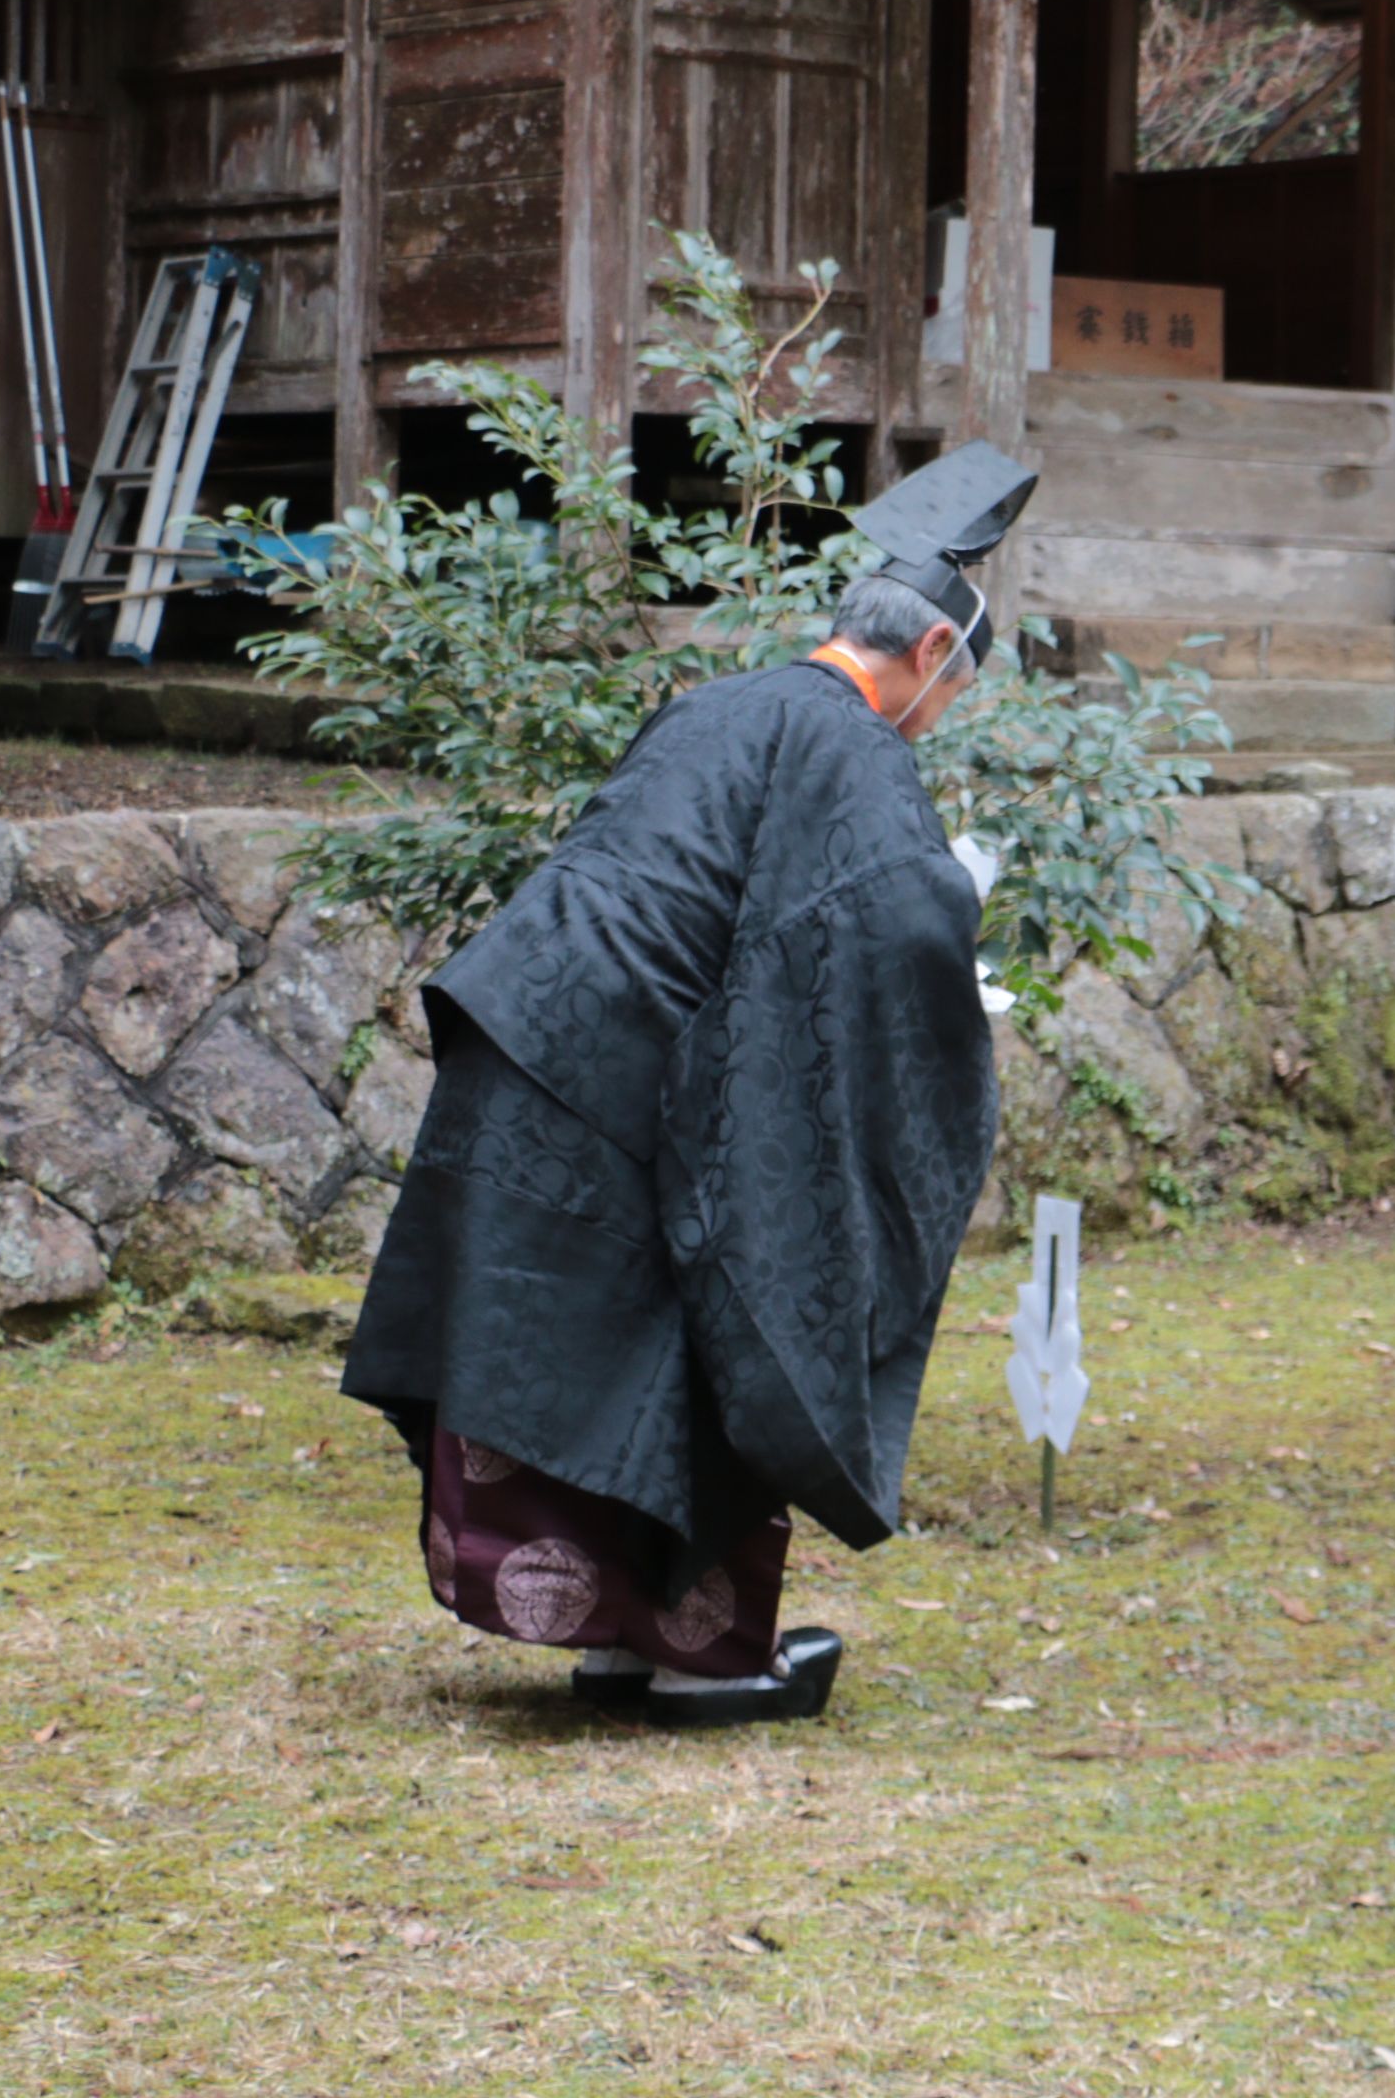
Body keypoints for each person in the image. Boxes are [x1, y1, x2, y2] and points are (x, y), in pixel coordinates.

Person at [342, 445, 1038, 1727]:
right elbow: (893, 924)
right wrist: (962, 915)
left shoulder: (716, 704)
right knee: (719, 1321)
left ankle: (617, 1642)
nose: (941, 715)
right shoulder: (854, 746)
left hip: (528, 1033)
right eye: (953, 689)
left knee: (592, 1343)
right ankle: (696, 1658)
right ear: (933, 647)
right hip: (627, 1077)